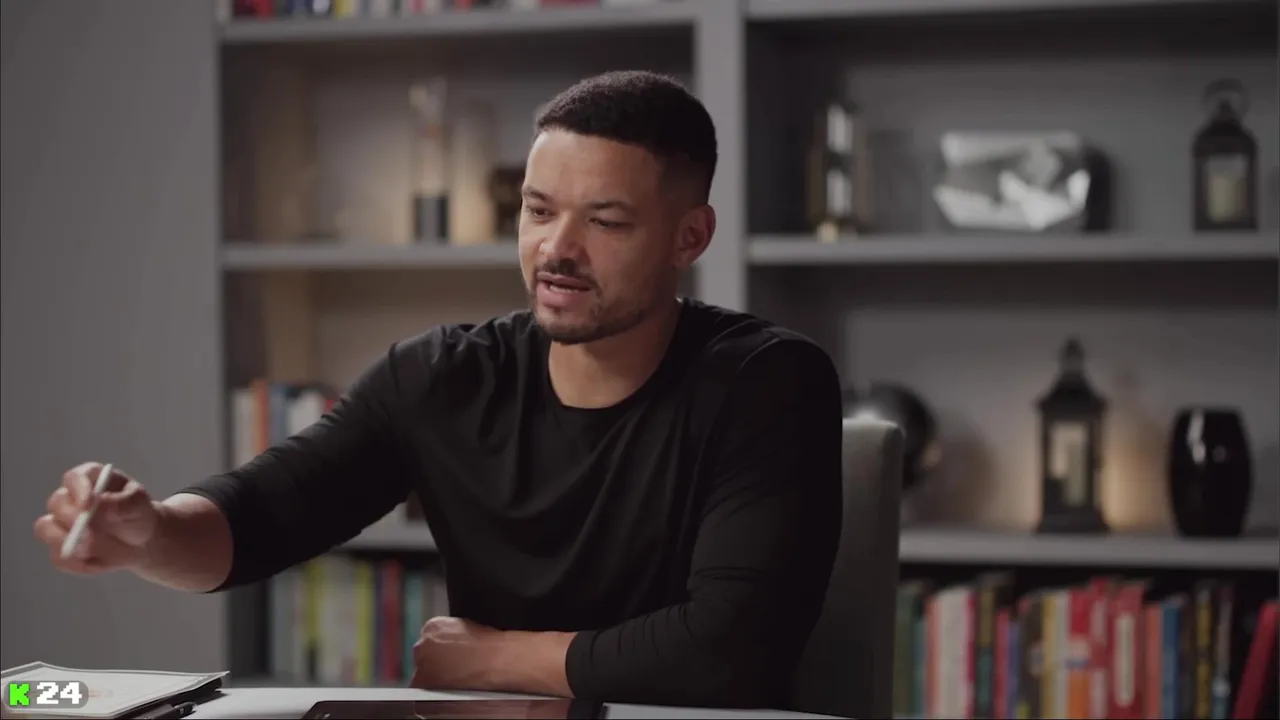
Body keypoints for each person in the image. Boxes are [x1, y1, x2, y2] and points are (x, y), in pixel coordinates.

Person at [33, 70, 843, 710]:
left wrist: (493, 658)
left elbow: (730, 652)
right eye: (537, 211)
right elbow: (259, 519)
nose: (556, 249)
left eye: (605, 222)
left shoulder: (769, 382)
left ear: (689, 237)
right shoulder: (443, 376)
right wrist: (151, 534)